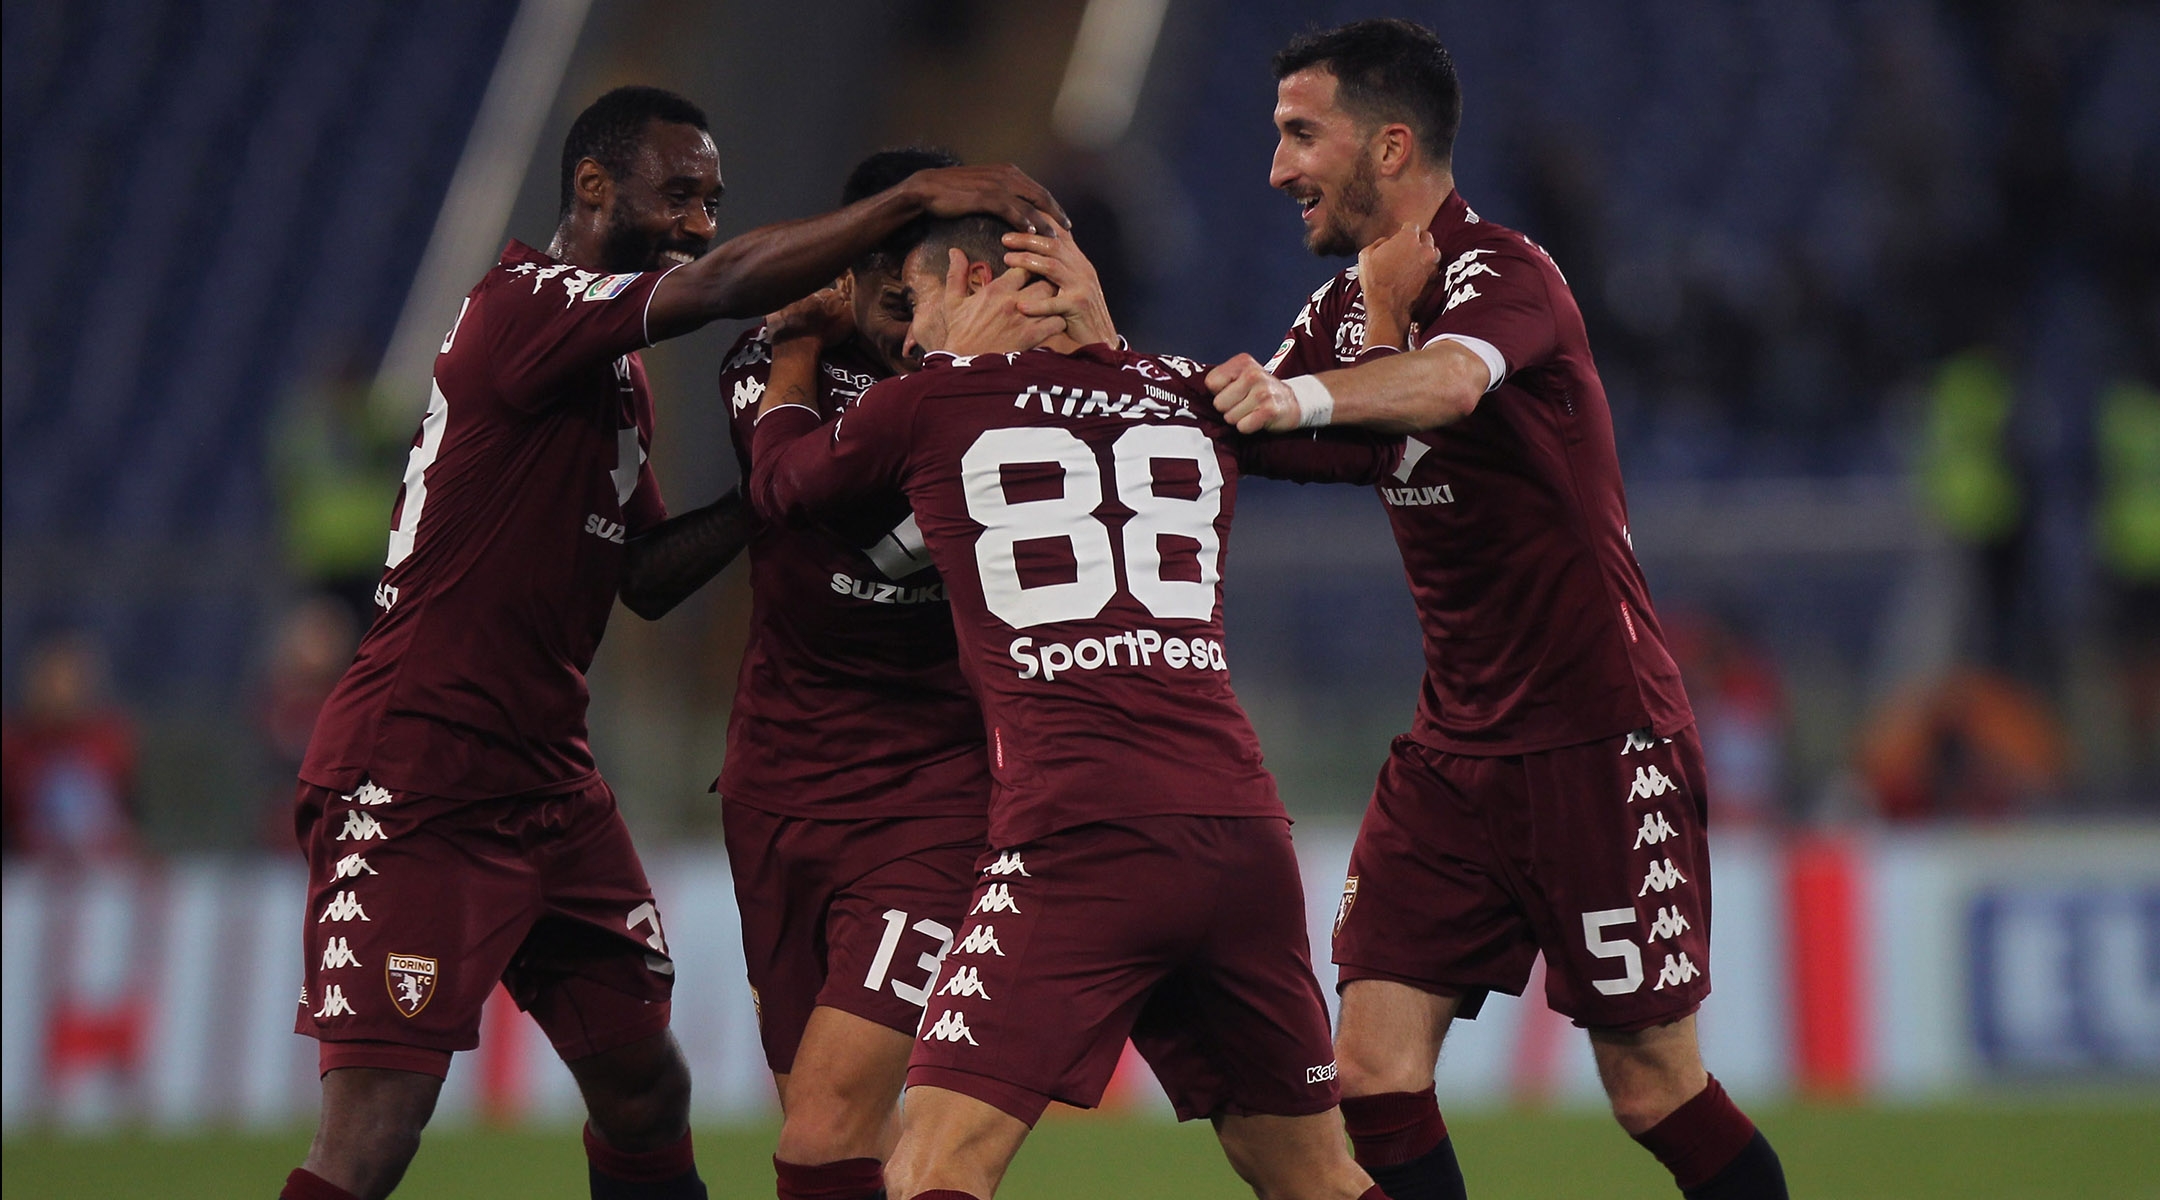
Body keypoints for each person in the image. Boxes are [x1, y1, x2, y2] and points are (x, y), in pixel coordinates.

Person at [280, 85, 1066, 1200]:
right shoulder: (526, 305)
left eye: (715, 201)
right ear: (593, 188)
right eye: (682, 193)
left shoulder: (611, 377)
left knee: (647, 1090)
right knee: (374, 1135)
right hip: (417, 767)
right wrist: (918, 199)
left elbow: (646, 578)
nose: (701, 220)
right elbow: (717, 287)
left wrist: (783, 486)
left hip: (546, 778)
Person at [1205, 20, 1789, 1200]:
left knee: (1651, 1086)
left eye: (1299, 135)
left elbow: (1452, 381)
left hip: (1596, 736)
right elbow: (1245, 425)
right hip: (1458, 750)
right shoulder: (1341, 314)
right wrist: (1080, 373)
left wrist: (1313, 385)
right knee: (1369, 1070)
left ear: (1391, 145)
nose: (1276, 168)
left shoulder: (1505, 273)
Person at [749, 214, 1397, 1200]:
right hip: (1241, 836)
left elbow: (782, 484)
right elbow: (1361, 449)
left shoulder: (928, 401)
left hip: (1076, 839)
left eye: (919, 304)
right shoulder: (1187, 390)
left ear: (971, 279)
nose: (914, 337)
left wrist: (793, 356)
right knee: (1309, 1171)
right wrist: (1112, 351)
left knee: (933, 1164)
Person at [711, 146, 1118, 1200]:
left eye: (929, 291)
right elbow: (801, 493)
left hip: (933, 797)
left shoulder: (1026, 381)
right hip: (777, 786)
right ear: (840, 280)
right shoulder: (778, 358)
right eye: (888, 297)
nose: (907, 321)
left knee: (825, 1129)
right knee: (833, 1131)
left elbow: (832, 483)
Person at [1, 631, 138, 860]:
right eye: (50, 680)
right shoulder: (13, 746)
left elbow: (128, 815)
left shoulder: (110, 740)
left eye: (67, 680)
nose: (59, 691)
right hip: (28, 877)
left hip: (103, 874)